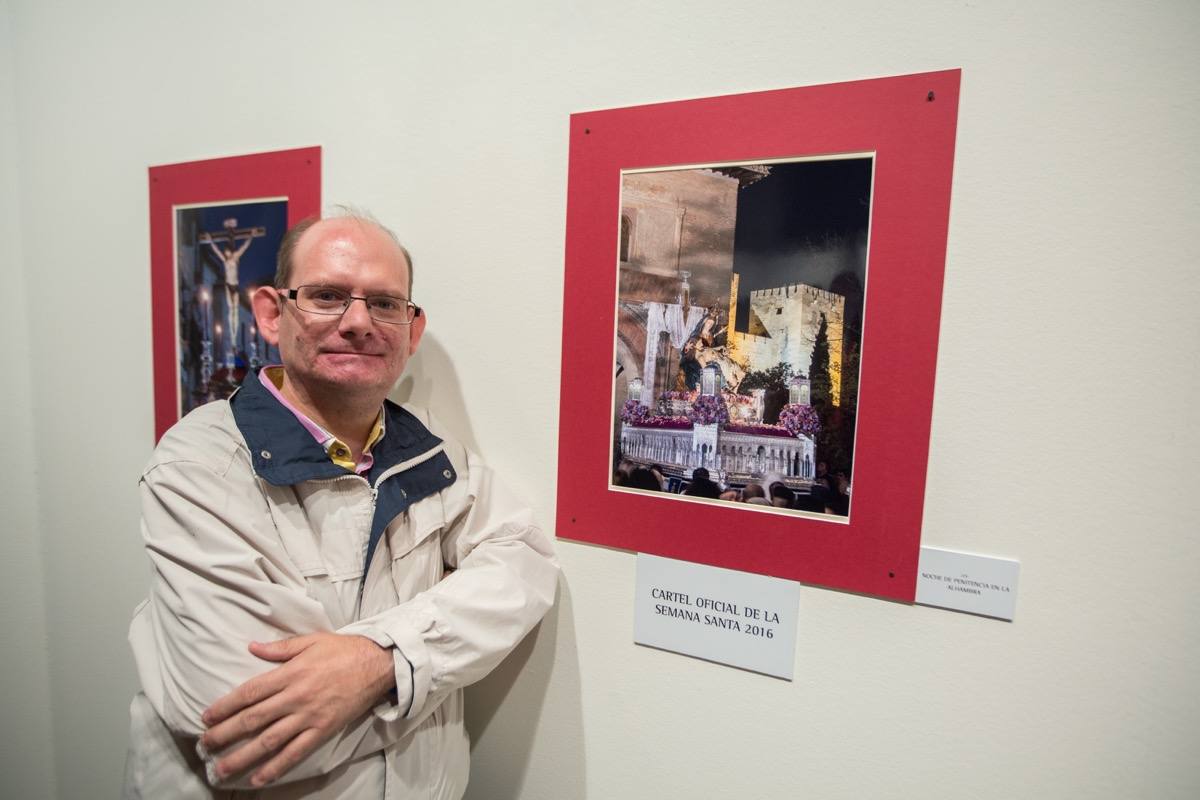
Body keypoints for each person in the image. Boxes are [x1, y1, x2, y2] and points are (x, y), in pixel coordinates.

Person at [124, 211, 559, 799]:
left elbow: (525, 561)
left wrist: (377, 662)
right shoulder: (198, 471)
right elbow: (247, 738)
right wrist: (442, 648)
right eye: (327, 296)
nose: (358, 322)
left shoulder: (427, 454)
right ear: (273, 313)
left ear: (412, 329)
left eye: (384, 303)